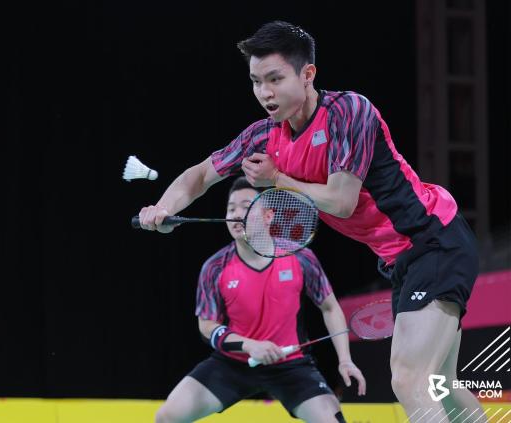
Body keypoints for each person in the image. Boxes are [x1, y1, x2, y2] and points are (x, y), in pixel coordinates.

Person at [139, 21, 482, 420]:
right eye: (256, 82)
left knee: (409, 379)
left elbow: (341, 201)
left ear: (307, 74)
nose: (264, 93)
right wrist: (162, 208)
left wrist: (277, 179)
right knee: (442, 384)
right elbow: (199, 175)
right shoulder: (264, 136)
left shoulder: (349, 112)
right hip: (400, 258)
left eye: (275, 79)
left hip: (433, 237)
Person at [155, 177, 365, 423]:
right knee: (167, 417)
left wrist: (345, 360)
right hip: (232, 364)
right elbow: (207, 326)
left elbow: (330, 308)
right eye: (231, 208)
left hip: (291, 365)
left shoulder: (299, 257)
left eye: (246, 206)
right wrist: (249, 346)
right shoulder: (215, 267)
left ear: (268, 216)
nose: (236, 214)